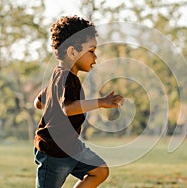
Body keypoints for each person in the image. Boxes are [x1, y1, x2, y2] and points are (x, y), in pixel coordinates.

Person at [33, 15, 124, 188]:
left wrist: (49, 104)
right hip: (53, 153)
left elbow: (38, 102)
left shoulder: (59, 75)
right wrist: (101, 102)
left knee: (100, 170)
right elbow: (68, 108)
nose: (95, 57)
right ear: (72, 51)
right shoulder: (66, 78)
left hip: (72, 148)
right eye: (91, 51)